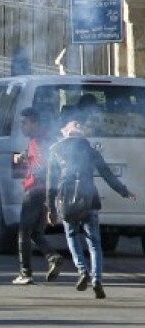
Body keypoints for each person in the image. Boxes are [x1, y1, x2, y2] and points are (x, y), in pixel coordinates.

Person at [47, 119, 136, 299]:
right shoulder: (90, 149)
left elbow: (51, 183)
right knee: (94, 243)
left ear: (66, 132)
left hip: (66, 200)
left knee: (72, 236)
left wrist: (50, 208)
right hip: (89, 200)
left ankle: (82, 270)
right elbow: (107, 174)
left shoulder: (55, 150)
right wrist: (124, 191)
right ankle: (97, 280)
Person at [11, 106, 65, 285]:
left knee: (24, 231)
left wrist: (33, 171)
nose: (22, 126)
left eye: (24, 123)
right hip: (46, 193)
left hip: (35, 191)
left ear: (34, 123)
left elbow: (43, 165)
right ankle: (53, 257)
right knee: (35, 232)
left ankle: (25, 272)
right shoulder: (44, 139)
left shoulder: (38, 141)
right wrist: (24, 157)